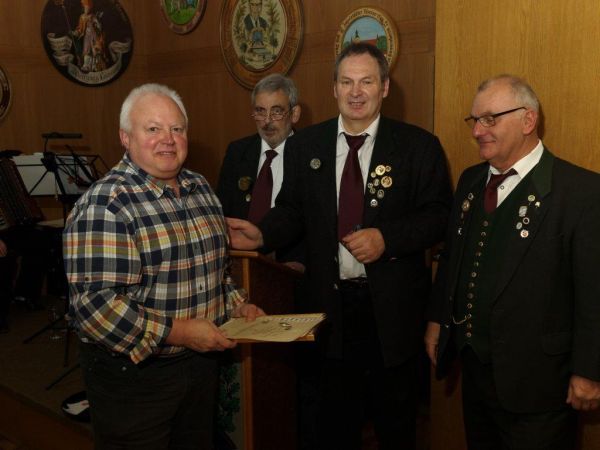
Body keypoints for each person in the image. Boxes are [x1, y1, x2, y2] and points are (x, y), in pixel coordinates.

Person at [228, 42, 452, 450]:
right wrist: (262, 235)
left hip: (392, 316)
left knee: (396, 427)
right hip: (328, 313)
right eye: (346, 82)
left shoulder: (418, 146)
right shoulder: (305, 146)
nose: (356, 92)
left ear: (385, 87)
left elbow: (439, 217)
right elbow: (291, 209)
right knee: (333, 427)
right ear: (334, 88)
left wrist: (387, 238)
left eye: (367, 81)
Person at [63, 83, 264, 449]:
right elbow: (95, 307)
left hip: (200, 367)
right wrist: (181, 332)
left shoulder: (201, 188)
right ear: (126, 137)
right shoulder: (105, 204)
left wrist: (237, 305)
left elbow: (216, 275)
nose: (168, 139)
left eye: (177, 128)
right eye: (153, 128)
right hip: (134, 378)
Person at [425, 74, 600, 449]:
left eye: (490, 119)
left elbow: (594, 293)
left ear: (528, 120)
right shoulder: (470, 181)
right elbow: (453, 259)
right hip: (476, 375)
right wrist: (438, 320)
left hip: (540, 386)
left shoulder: (581, 192)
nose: (477, 131)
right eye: (475, 120)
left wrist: (589, 371)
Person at [216, 72, 303, 265]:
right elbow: (221, 212)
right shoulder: (237, 152)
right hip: (241, 264)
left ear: (295, 114)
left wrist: (303, 263)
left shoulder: (309, 155)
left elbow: (318, 222)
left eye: (277, 111)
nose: (267, 121)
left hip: (292, 267)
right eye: (260, 111)